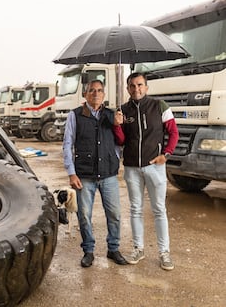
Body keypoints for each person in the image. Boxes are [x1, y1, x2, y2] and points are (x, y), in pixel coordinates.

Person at [113, 72, 179, 271]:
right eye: (132, 86)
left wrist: (165, 155)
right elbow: (122, 141)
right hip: (132, 167)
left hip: (155, 167)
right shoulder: (123, 110)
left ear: (146, 87)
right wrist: (117, 125)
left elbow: (173, 132)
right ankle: (138, 248)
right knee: (135, 209)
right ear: (127, 89)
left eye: (140, 85)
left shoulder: (159, 106)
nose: (136, 89)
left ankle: (164, 253)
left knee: (159, 209)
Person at [63, 79, 127, 268]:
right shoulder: (75, 115)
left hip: (108, 175)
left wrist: (117, 125)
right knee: (84, 215)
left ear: (104, 95)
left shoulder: (112, 115)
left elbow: (121, 142)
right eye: (92, 91)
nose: (96, 94)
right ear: (85, 94)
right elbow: (67, 144)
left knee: (114, 214)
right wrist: (71, 173)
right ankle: (88, 251)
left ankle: (113, 248)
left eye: (99, 91)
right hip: (84, 175)